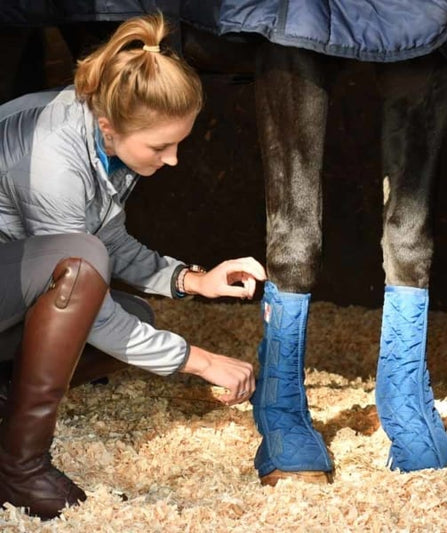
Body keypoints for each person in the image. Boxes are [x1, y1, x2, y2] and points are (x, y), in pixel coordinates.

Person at [0, 13, 266, 521]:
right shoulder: (56, 156)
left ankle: (6, 411)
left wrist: (192, 280)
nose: (172, 161)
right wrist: (201, 361)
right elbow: (81, 269)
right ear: (108, 125)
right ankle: (19, 469)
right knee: (85, 271)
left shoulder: (108, 136)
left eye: (179, 143)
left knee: (137, 316)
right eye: (161, 147)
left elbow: (110, 241)